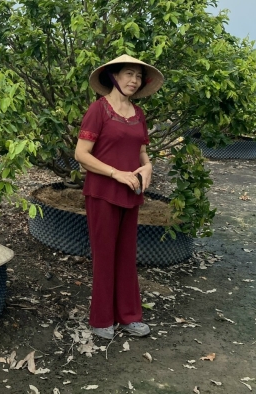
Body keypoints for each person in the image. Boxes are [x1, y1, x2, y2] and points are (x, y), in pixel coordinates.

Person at [74, 54, 164, 339]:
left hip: (132, 192)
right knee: (105, 255)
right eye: (128, 73)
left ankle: (129, 316)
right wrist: (115, 173)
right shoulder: (98, 110)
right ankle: (101, 319)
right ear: (114, 76)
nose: (134, 80)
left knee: (126, 256)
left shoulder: (138, 114)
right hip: (102, 193)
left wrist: (148, 166)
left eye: (138, 76)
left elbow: (140, 150)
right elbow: (81, 155)